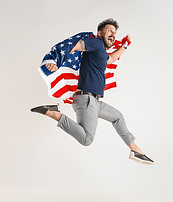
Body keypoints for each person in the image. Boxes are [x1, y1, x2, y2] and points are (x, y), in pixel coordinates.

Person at [31, 18, 154, 164]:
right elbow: (75, 46)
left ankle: (135, 150)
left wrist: (125, 46)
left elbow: (111, 58)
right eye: (109, 30)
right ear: (100, 33)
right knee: (87, 139)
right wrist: (55, 61)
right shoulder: (95, 43)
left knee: (117, 117)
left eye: (115, 32)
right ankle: (54, 113)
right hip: (86, 99)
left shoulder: (101, 52)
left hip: (94, 100)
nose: (113, 34)